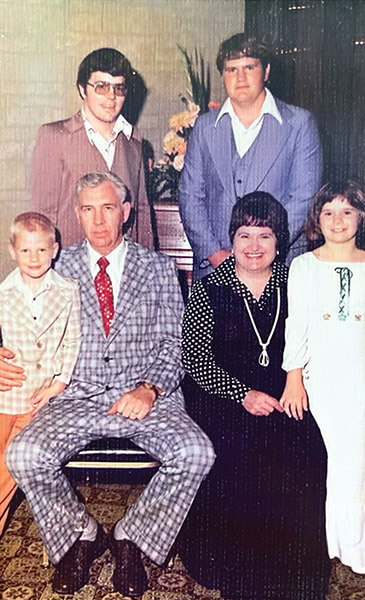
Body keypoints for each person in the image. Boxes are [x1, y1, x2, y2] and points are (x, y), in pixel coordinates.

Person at [1, 171, 215, 598]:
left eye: (107, 208)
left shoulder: (158, 268)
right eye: (88, 209)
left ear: (126, 211)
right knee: (23, 453)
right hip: (75, 395)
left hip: (146, 398)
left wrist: (150, 388)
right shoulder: (51, 264)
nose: (98, 220)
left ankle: (131, 539)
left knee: (196, 453)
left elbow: (177, 342)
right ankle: (80, 536)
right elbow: (13, 309)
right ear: (77, 215)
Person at [178, 192, 328, 598]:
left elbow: (314, 342)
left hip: (285, 389)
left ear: (279, 240)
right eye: (244, 235)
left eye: (264, 235)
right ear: (232, 239)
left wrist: (293, 386)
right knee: (240, 452)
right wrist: (243, 394)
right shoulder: (211, 288)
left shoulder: (293, 281)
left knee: (306, 449)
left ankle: (293, 574)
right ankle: (238, 573)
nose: (254, 246)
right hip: (223, 395)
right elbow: (194, 359)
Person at [281, 180, 365, 574]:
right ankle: (324, 543)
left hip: (362, 379)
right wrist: (293, 378)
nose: (338, 220)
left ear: (361, 217)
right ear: (317, 220)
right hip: (321, 378)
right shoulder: (304, 266)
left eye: (347, 211)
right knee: (328, 456)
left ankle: (356, 543)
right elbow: (296, 325)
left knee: (358, 457)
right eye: (329, 212)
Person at [178, 32, 323, 281]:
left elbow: (304, 197)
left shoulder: (299, 124)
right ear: (223, 76)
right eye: (232, 70)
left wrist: (263, 252)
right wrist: (214, 253)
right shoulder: (204, 127)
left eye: (249, 67)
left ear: (266, 72)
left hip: (277, 267)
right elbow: (190, 196)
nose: (241, 77)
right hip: (216, 269)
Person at [0, 213, 80, 536]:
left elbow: (73, 339)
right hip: (7, 392)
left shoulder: (67, 290)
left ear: (55, 249)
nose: (34, 259)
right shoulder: (2, 293)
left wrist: (60, 382)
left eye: (41, 251)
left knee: (9, 466)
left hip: (40, 395)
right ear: (12, 251)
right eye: (26, 251)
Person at [30, 47, 154, 249]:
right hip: (70, 269)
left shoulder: (134, 143)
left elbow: (142, 216)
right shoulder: (54, 137)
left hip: (122, 270)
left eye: (118, 88)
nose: (111, 96)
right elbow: (42, 216)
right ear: (82, 89)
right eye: (101, 86)